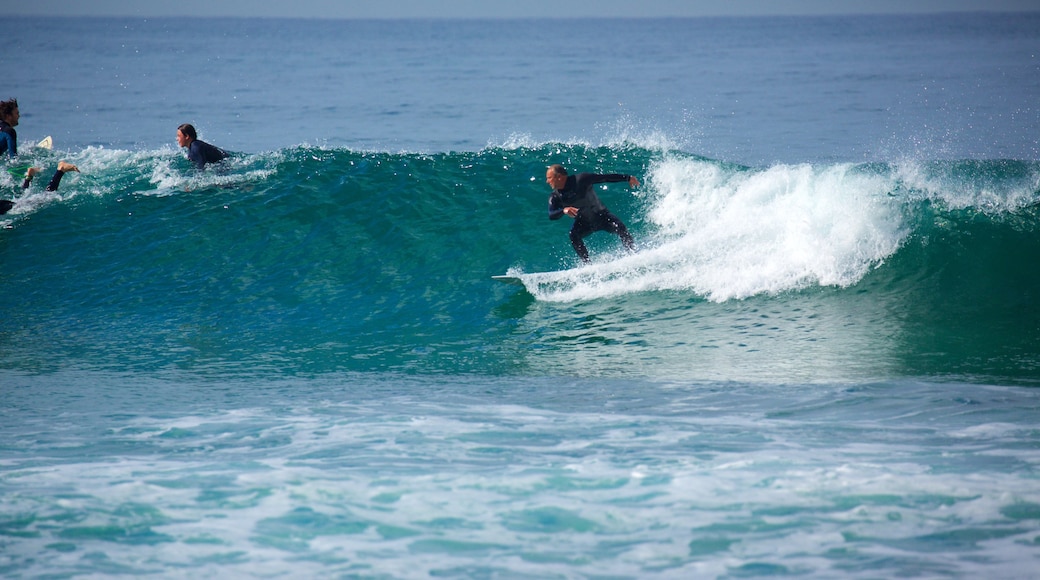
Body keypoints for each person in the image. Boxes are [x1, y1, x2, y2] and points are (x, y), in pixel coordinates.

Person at [546, 164, 639, 263]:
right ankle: (587, 264)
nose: (547, 181)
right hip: (584, 223)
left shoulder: (581, 179)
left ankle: (633, 255)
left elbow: (604, 178)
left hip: (602, 216)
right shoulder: (555, 196)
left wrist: (628, 178)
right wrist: (563, 210)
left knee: (620, 228)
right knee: (573, 235)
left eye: (549, 178)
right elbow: (552, 214)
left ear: (559, 177)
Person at [1, 98, 79, 215]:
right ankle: (37, 174)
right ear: (8, 115)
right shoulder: (9, 131)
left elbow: (12, 161)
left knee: (26, 204)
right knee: (25, 203)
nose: (19, 116)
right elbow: (13, 158)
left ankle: (58, 170)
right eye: (16, 113)